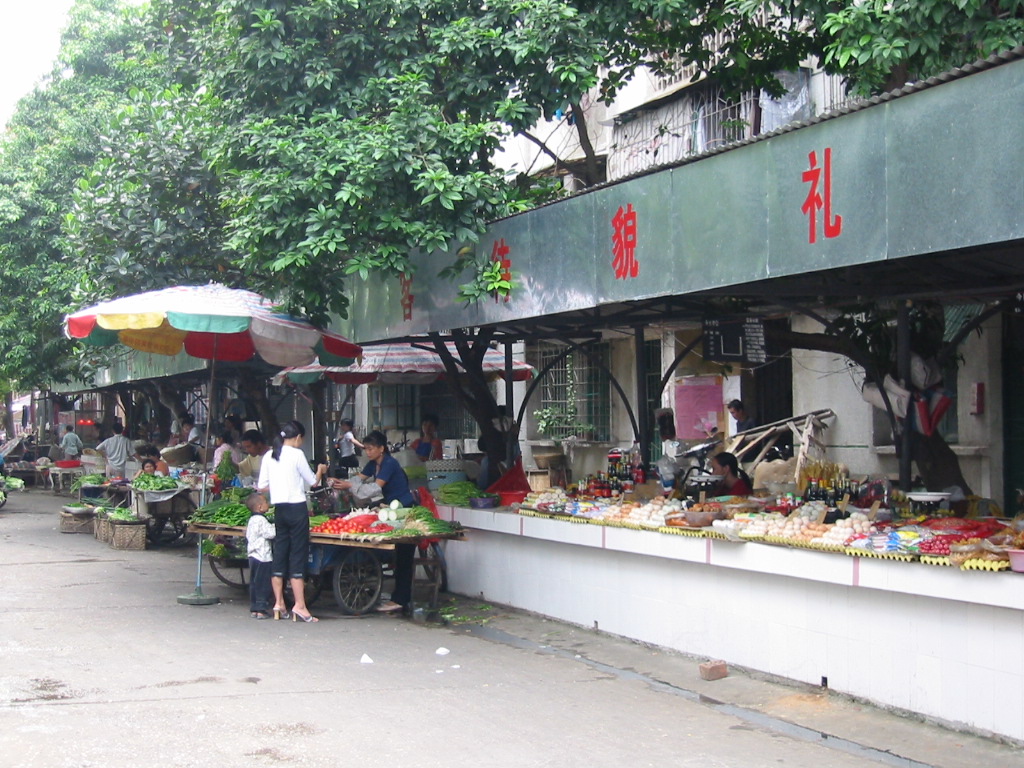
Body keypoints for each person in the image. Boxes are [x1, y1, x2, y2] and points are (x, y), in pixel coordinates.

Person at [331, 431, 415, 613]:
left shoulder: (389, 464)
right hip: (390, 509)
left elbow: (376, 488)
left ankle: (401, 599)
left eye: (370, 449)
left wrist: (350, 486)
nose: (367, 452)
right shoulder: (373, 464)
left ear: (381, 448)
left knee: (404, 557)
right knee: (397, 556)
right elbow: (358, 479)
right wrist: (341, 482)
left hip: (403, 509)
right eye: (366, 449)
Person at [257, 420, 327, 623]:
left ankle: (279, 603)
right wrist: (320, 470)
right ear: (297, 438)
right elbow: (313, 482)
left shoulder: (269, 455)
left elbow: (261, 486)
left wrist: (279, 485)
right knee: (297, 555)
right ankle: (300, 605)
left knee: (280, 552)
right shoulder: (297, 455)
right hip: (297, 510)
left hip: (280, 510)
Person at [244, 493, 275, 620]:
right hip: (263, 557)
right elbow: (270, 534)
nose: (268, 504)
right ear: (260, 507)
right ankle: (261, 609)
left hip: (253, 556)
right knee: (263, 583)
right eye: (266, 502)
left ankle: (254, 608)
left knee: (254, 583)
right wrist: (277, 526)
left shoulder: (251, 520)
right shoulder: (261, 520)